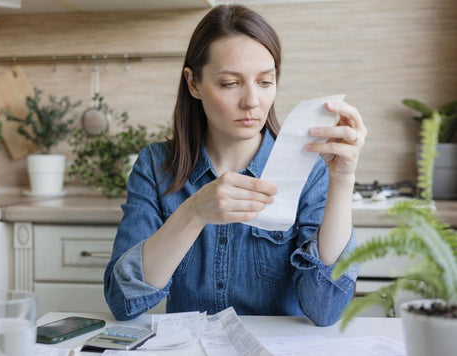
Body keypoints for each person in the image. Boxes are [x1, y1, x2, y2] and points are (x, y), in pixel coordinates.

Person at [104, 4, 367, 327]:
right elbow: (123, 301)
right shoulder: (156, 165)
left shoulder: (310, 169)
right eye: (230, 83)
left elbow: (326, 310)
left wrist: (342, 179)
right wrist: (194, 211)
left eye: (265, 82)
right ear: (194, 83)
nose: (252, 101)